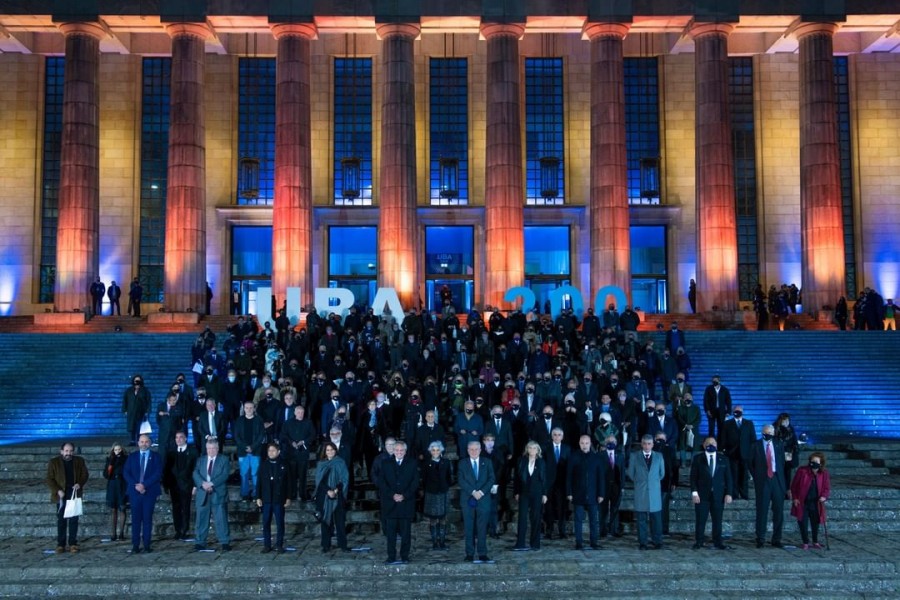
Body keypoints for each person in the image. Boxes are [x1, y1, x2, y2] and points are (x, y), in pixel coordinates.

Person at [377, 440, 419, 564]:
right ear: (393, 451)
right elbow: (381, 482)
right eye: (397, 450)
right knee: (390, 534)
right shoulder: (385, 463)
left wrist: (404, 495)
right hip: (390, 503)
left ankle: (405, 556)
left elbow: (415, 482)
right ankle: (391, 557)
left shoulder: (412, 463)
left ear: (405, 451)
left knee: (406, 534)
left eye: (402, 450)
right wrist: (392, 495)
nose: (399, 452)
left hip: (406, 503)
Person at [46, 442, 89, 553]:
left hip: (74, 493)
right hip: (61, 494)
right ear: (61, 451)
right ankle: (61, 544)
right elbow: (49, 479)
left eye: (70, 451)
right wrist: (58, 490)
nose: (68, 453)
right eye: (66, 451)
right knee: (61, 519)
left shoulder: (79, 461)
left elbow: (85, 475)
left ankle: (73, 543)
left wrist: (79, 483)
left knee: (74, 519)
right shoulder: (54, 462)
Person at [690, 436, 733, 549]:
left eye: (713, 443)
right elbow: (693, 477)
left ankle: (717, 542)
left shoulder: (723, 459)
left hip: (718, 495)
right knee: (700, 519)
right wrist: (694, 493)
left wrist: (729, 493)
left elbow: (728, 478)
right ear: (704, 445)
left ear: (717, 445)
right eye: (708, 443)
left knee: (717, 520)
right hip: (702, 495)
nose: (711, 445)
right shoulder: (698, 458)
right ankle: (699, 541)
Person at [123, 434, 162, 553]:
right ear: (138, 443)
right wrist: (136, 485)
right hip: (135, 492)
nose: (144, 444)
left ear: (150, 443)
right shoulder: (132, 456)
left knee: (147, 519)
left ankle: (147, 544)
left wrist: (144, 485)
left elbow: (157, 473)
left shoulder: (156, 457)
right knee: (136, 520)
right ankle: (135, 545)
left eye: (146, 442)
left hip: (149, 492)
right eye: (141, 441)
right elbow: (126, 472)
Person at [748, 424, 786, 548]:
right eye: (765, 432)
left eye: (769, 432)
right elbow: (750, 463)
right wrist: (757, 477)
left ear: (773, 433)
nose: (767, 434)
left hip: (777, 480)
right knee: (762, 511)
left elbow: (782, 462)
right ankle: (760, 538)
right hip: (763, 481)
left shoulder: (779, 444)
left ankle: (777, 538)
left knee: (779, 512)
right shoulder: (755, 445)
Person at [458, 440, 496, 563]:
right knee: (469, 527)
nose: (474, 451)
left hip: (483, 499)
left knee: (482, 527)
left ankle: (482, 553)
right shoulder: (462, 463)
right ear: (468, 450)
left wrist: (481, 492)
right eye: (471, 449)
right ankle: (469, 554)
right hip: (467, 498)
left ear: (480, 450)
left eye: (476, 449)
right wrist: (473, 491)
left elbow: (491, 479)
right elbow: (461, 480)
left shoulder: (488, 462)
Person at [566, 435, 605, 550]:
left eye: (586, 443)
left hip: (593, 494)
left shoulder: (596, 458)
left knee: (593, 520)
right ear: (579, 443)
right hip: (578, 493)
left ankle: (594, 542)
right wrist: (569, 492)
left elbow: (600, 478)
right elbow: (569, 476)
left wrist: (601, 494)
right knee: (578, 520)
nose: (584, 445)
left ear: (590, 443)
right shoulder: (573, 457)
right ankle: (579, 542)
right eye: (582, 443)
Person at [626, 434, 665, 550]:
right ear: (641, 444)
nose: (647, 446)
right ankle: (643, 542)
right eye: (644, 444)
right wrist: (640, 482)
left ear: (652, 444)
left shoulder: (659, 456)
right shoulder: (634, 456)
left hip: (654, 493)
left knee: (656, 520)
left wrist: (652, 482)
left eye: (649, 444)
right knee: (641, 520)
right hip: (641, 492)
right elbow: (630, 473)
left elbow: (661, 473)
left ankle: (657, 541)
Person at [193, 438, 232, 552]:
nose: (211, 451)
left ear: (218, 448)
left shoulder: (224, 460)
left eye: (213, 448)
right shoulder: (201, 460)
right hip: (203, 493)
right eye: (209, 448)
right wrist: (202, 484)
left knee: (221, 519)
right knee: (201, 519)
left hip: (218, 493)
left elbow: (224, 475)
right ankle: (200, 542)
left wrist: (211, 483)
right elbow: (195, 473)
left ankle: (225, 542)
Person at [790, 452, 831, 550]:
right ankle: (805, 542)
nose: (813, 463)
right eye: (812, 461)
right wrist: (795, 498)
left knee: (815, 522)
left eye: (816, 461)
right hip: (803, 502)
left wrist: (824, 497)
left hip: (816, 503)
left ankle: (815, 541)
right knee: (802, 522)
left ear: (821, 463)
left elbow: (826, 488)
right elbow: (794, 486)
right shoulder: (802, 471)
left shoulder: (824, 473)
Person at [256, 443, 293, 553]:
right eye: (269, 451)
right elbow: (259, 482)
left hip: (279, 499)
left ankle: (279, 544)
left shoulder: (285, 464)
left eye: (273, 450)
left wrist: (289, 497)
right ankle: (267, 545)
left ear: (278, 452)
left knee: (280, 523)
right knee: (266, 522)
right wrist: (258, 497)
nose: (271, 453)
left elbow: (289, 483)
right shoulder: (263, 465)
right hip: (266, 499)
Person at [513, 441, 549, 551]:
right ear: (527, 449)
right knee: (522, 517)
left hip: (537, 492)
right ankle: (520, 543)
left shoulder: (541, 462)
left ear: (538, 450)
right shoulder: (521, 461)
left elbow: (544, 479)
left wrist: (544, 494)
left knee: (536, 518)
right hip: (524, 492)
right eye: (530, 448)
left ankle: (535, 544)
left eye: (534, 448)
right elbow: (517, 478)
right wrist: (516, 492)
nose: (532, 450)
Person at [314, 441, 349, 553]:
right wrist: (328, 491)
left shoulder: (340, 462)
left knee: (339, 521)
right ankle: (326, 545)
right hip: (324, 496)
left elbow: (344, 479)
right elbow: (319, 481)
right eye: (327, 450)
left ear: (335, 450)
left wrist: (336, 490)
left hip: (338, 495)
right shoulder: (321, 464)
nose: (330, 452)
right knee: (325, 520)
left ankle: (343, 544)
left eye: (332, 449)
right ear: (324, 452)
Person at [164, 431, 197, 541]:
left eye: (181, 437)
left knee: (185, 508)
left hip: (187, 485)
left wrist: (195, 486)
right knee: (176, 508)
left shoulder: (192, 452)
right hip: (174, 486)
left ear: (186, 438)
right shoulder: (171, 452)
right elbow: (167, 470)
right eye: (176, 437)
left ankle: (184, 530)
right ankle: (178, 530)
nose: (178, 439)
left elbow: (195, 469)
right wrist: (166, 485)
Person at [281, 404, 315, 501]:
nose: (300, 414)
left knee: (303, 475)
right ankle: (292, 494)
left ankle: (303, 494)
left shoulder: (308, 422)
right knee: (291, 475)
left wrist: (303, 441)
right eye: (299, 412)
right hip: (291, 453)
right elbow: (283, 435)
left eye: (302, 412)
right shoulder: (287, 423)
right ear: (295, 412)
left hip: (303, 453)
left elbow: (312, 434)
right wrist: (291, 442)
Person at [422, 441, 452, 551]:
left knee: (443, 518)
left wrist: (445, 487)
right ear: (430, 451)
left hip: (443, 493)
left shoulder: (446, 462)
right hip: (431, 493)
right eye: (433, 450)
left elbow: (449, 477)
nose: (435, 452)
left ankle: (442, 542)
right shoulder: (426, 463)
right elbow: (424, 479)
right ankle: (435, 542)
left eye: (437, 450)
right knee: (433, 519)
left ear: (441, 451)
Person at [721, 405, 755, 500]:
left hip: (745, 454)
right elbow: (723, 438)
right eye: (735, 411)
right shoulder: (727, 424)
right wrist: (725, 450)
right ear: (732, 412)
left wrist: (751, 453)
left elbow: (753, 439)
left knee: (744, 476)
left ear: (742, 412)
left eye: (739, 411)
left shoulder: (749, 423)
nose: (737, 412)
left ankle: (744, 494)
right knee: (733, 475)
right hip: (732, 454)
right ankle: (734, 494)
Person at [235, 400, 265, 503]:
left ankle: (256, 495)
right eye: (247, 408)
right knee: (244, 474)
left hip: (255, 451)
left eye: (251, 408)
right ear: (244, 409)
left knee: (255, 474)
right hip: (243, 452)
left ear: (254, 409)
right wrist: (245, 447)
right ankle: (245, 494)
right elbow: (236, 436)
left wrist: (252, 447)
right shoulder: (239, 420)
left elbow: (261, 435)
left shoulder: (259, 420)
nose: (249, 410)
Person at [598, 435, 625, 538]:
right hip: (604, 486)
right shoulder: (600, 455)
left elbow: (622, 472)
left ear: (616, 442)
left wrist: (622, 487)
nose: (611, 442)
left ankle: (614, 530)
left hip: (616, 486)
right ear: (605, 442)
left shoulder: (620, 456)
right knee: (603, 509)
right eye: (609, 441)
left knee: (615, 509)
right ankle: (602, 531)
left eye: (613, 441)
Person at [103, 442, 128, 541]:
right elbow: (106, 474)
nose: (117, 451)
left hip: (122, 485)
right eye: (115, 449)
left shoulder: (126, 459)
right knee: (113, 509)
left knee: (122, 508)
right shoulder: (110, 460)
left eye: (119, 449)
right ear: (113, 450)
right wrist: (111, 464)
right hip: (112, 485)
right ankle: (113, 533)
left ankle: (121, 533)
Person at [122, 375, 151, 446]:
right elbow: (125, 400)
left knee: (139, 427)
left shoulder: (145, 390)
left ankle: (139, 440)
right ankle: (132, 441)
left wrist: (147, 411)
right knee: (132, 427)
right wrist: (124, 410)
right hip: (131, 412)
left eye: (138, 380)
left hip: (141, 412)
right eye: (136, 380)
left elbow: (148, 401)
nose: (137, 382)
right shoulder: (129, 390)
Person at [774, 412, 799, 491]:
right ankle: (779, 490)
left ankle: (787, 490)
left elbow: (794, 440)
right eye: (784, 420)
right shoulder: (775, 428)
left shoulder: (791, 428)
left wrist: (794, 450)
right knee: (779, 473)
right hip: (779, 454)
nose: (786, 422)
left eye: (788, 420)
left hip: (788, 454)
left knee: (787, 473)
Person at [702, 375, 731, 442]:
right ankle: (710, 443)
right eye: (713, 380)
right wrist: (707, 410)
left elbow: (728, 401)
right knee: (711, 428)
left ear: (719, 381)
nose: (714, 382)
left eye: (716, 380)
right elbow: (705, 400)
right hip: (711, 411)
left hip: (721, 412)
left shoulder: (725, 389)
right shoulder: (708, 389)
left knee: (721, 428)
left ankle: (720, 445)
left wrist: (728, 412)